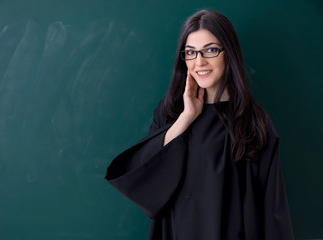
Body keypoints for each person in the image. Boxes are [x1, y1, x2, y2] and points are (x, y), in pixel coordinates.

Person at [105, 9, 294, 240]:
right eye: (191, 53)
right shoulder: (169, 113)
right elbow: (145, 181)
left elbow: (273, 209)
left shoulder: (253, 122)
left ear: (229, 53)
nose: (200, 62)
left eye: (211, 50)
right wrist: (186, 118)